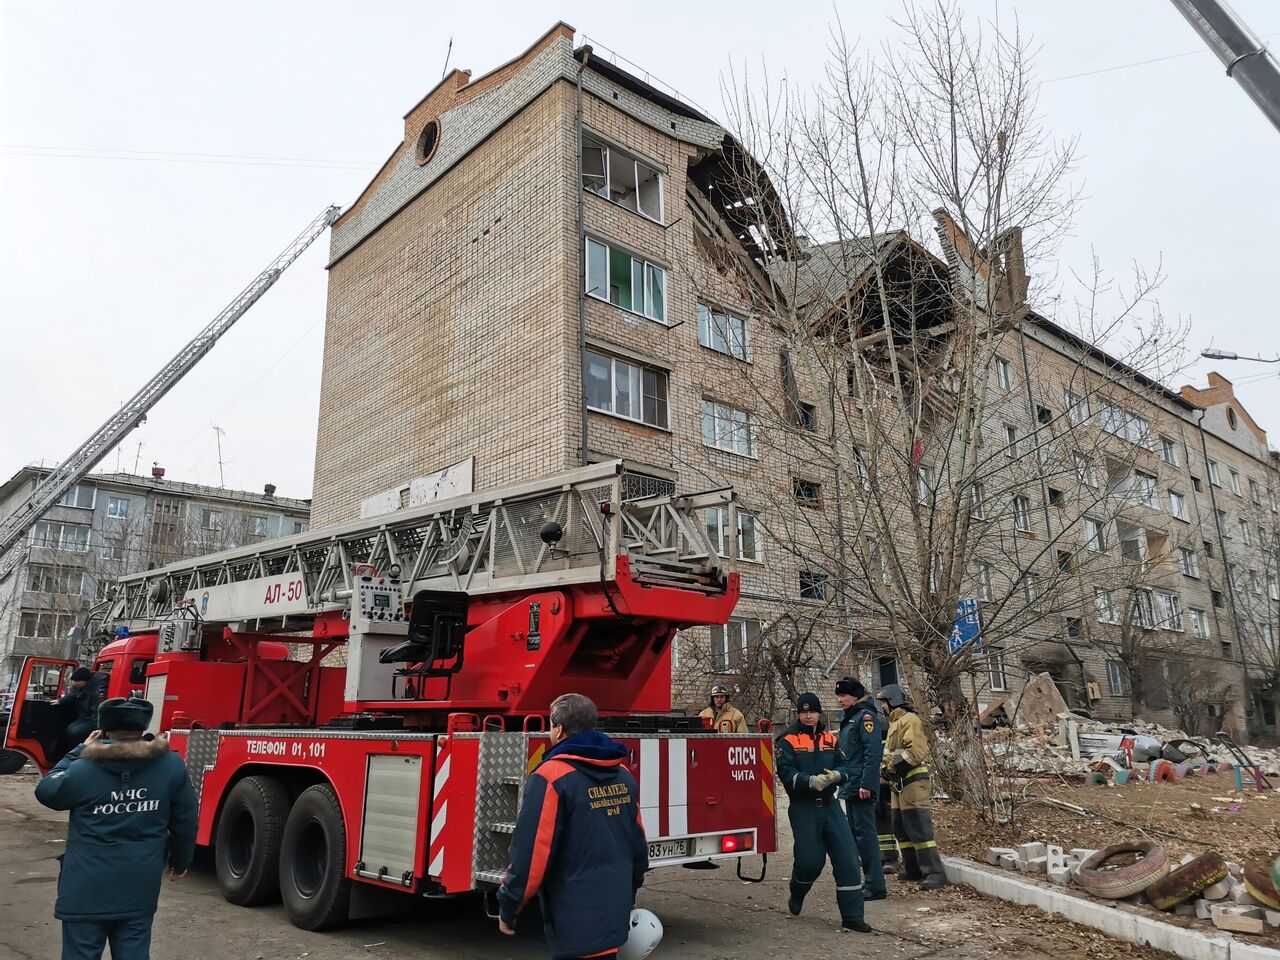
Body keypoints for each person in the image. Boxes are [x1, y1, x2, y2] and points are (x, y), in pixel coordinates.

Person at [34, 696, 197, 960]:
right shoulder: (171, 765)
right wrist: (180, 861)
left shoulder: (82, 769)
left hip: (85, 888)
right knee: (134, 951)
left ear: (103, 729)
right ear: (143, 728)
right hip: (138, 885)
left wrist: (77, 752)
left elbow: (46, 791)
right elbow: (186, 820)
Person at [498, 692, 649, 959]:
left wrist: (509, 906)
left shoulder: (551, 777)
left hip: (573, 921)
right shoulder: (623, 774)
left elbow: (532, 857)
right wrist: (628, 894)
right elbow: (638, 846)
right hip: (614, 916)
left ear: (558, 728)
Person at [774, 692, 871, 933]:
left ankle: (852, 916)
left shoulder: (831, 739)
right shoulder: (787, 740)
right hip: (803, 808)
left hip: (830, 806)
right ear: (798, 714)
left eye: (813, 711)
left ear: (819, 714)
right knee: (810, 862)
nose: (808, 716)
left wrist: (838, 776)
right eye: (804, 712)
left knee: (848, 859)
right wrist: (809, 781)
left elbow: (845, 765)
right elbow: (785, 772)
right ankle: (797, 892)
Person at [877, 683, 948, 891]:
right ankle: (913, 868)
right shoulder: (896, 723)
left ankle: (935, 872)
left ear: (893, 701)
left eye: (884, 702)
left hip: (912, 781)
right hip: (898, 783)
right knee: (901, 826)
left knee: (918, 828)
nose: (882, 707)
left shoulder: (910, 720)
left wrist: (891, 769)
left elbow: (915, 752)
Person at [831, 677, 887, 901]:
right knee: (856, 835)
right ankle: (866, 881)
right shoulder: (851, 719)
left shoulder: (865, 718)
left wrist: (867, 784)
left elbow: (872, 754)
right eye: (839, 695)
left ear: (855, 696)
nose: (840, 699)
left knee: (866, 836)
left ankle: (876, 885)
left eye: (844, 695)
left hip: (861, 787)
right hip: (851, 785)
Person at [56, 667, 105, 745]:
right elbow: (73, 694)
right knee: (68, 728)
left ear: (86, 681)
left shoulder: (97, 692)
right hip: (84, 716)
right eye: (74, 681)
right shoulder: (80, 686)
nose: (75, 683)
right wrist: (60, 701)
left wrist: (98, 730)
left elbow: (97, 713)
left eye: (78, 681)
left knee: (75, 731)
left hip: (91, 719)